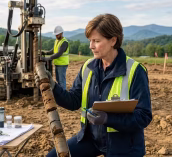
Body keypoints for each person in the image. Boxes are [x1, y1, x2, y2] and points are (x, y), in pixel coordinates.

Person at [36, 14, 152, 157]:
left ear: (113, 40)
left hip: (124, 146)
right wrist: (53, 86)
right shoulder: (88, 67)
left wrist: (108, 119)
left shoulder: (135, 71)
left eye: (96, 41)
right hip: (91, 139)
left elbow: (143, 116)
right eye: (90, 40)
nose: (91, 46)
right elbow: (73, 101)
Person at [42, 26, 69, 90]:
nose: (56, 36)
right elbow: (54, 50)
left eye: (58, 35)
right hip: (57, 64)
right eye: (56, 35)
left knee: (61, 81)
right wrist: (45, 53)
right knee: (58, 80)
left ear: (61, 33)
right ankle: (60, 94)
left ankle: (63, 95)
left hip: (62, 64)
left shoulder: (64, 42)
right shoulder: (57, 41)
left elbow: (59, 53)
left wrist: (48, 58)